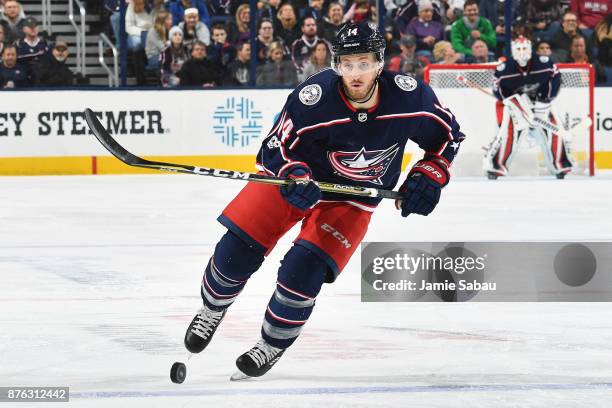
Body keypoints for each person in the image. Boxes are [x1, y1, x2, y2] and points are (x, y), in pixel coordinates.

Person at [182, 21, 464, 380]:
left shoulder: (412, 98)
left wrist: (430, 174)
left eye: (363, 63)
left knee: (302, 273)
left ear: (380, 63)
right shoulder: (312, 98)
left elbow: (448, 138)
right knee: (235, 252)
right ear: (336, 65)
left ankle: (271, 345)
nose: (355, 73)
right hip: (297, 182)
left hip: (353, 198)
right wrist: (294, 173)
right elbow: (273, 145)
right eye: (347, 64)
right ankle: (213, 308)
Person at [484, 36, 571, 180]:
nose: (522, 52)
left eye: (525, 48)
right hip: (517, 105)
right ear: (513, 51)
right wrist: (511, 101)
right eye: (518, 49)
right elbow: (497, 88)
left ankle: (560, 164)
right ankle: (496, 166)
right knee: (508, 131)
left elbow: (556, 77)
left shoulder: (543, 63)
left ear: (530, 49)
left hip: (540, 102)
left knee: (554, 128)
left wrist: (545, 99)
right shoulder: (505, 68)